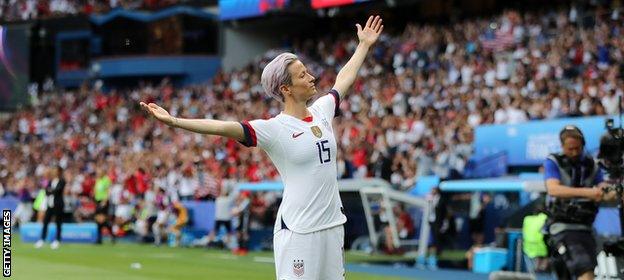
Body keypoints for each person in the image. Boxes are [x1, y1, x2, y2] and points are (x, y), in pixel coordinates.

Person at [140, 15, 383, 279]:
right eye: (303, 74)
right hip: (299, 231)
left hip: (333, 226)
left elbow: (343, 80)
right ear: (286, 89)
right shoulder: (275, 129)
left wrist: (364, 46)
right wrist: (175, 121)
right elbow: (224, 127)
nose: (312, 77)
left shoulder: (322, 111)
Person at [544, 125, 616, 280]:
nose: (574, 152)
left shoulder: (592, 165)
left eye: (578, 148)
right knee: (585, 271)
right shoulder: (553, 162)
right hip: (562, 227)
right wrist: (589, 192)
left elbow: (602, 186)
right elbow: (553, 189)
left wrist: (610, 192)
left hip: (586, 228)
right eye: (570, 149)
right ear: (562, 146)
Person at [35, 166, 66, 250]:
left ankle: (57, 240)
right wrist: (51, 191)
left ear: (59, 172)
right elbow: (46, 191)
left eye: (55, 170)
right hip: (50, 204)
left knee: (58, 223)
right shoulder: (51, 180)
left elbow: (57, 191)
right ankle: (42, 239)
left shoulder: (62, 181)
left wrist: (50, 190)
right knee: (45, 222)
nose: (54, 172)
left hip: (58, 205)